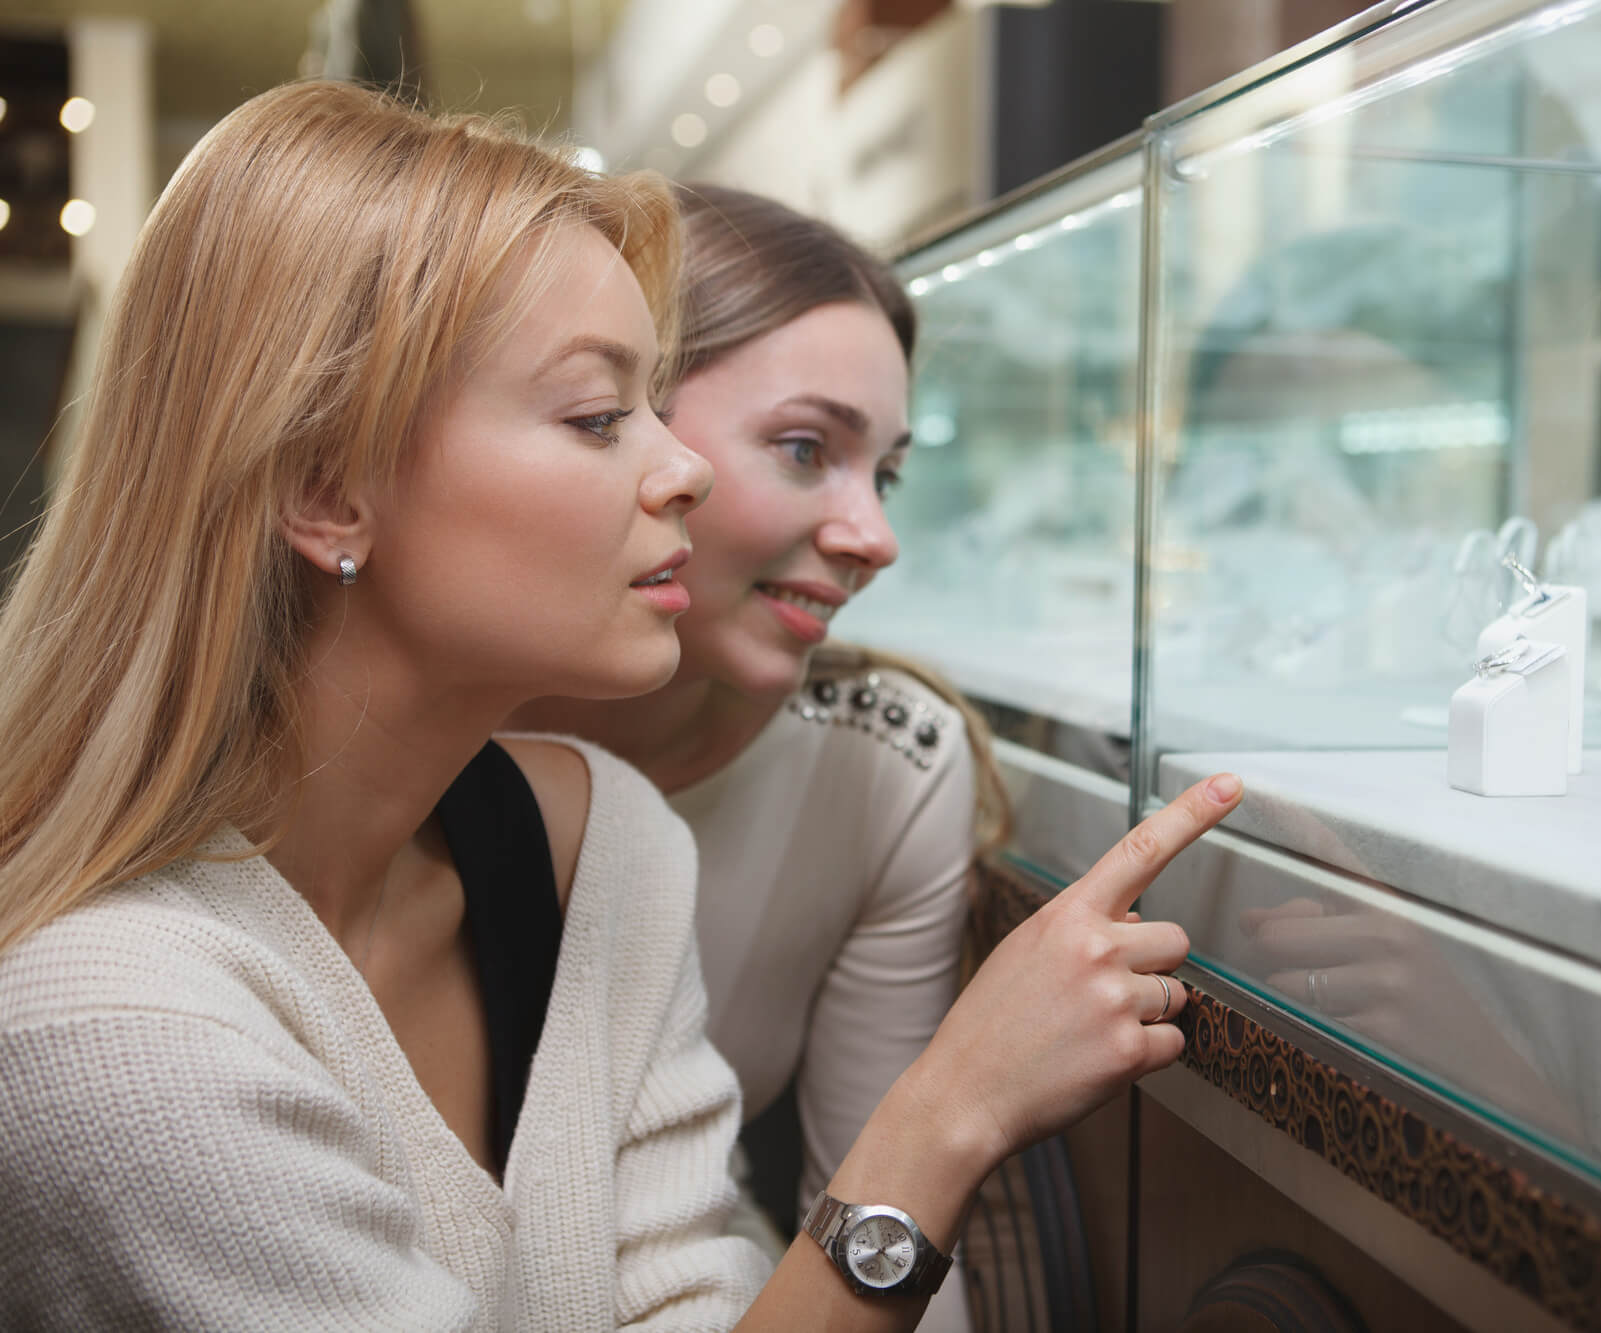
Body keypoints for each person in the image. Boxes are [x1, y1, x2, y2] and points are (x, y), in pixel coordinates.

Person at [0, 81, 1238, 1330]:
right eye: (600, 415)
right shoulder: (114, 1029)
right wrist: (948, 1114)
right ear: (327, 492)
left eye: (654, 400)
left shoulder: (611, 845)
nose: (682, 466)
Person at [508, 188, 1008, 1325]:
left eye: (882, 474)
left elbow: (880, 1203)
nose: (872, 537)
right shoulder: (423, 718)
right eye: (803, 449)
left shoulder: (886, 759)